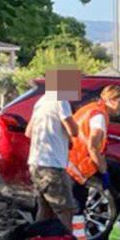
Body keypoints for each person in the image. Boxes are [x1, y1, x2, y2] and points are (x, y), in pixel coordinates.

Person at [66, 85, 120, 240]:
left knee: (76, 211)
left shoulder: (90, 109)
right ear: (110, 100)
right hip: (77, 167)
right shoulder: (98, 116)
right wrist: (104, 172)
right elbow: (93, 146)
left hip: (70, 163)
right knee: (77, 211)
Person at [25, 87, 79, 231]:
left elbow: (28, 132)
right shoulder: (61, 100)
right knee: (65, 210)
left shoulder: (41, 101)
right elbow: (73, 130)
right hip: (52, 164)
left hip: (36, 163)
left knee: (45, 209)